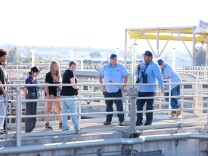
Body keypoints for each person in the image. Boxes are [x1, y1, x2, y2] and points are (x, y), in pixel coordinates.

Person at [136, 51, 165, 126]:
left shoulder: (155, 66)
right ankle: (139, 121)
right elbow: (137, 74)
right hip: (141, 89)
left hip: (150, 90)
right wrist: (137, 68)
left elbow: (159, 76)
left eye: (145, 56)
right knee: (139, 106)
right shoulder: (142, 64)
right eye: (144, 56)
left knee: (149, 107)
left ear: (149, 57)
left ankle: (148, 122)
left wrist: (162, 86)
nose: (144, 57)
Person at [98, 54, 129, 126]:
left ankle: (121, 120)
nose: (115, 60)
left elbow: (126, 76)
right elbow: (100, 76)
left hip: (117, 90)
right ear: (110, 59)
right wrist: (102, 85)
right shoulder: (105, 67)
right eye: (113, 59)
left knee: (119, 106)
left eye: (116, 59)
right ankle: (108, 120)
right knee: (108, 106)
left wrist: (124, 85)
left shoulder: (121, 67)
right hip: (108, 90)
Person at [61, 61, 79, 132]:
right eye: (72, 67)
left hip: (64, 95)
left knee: (65, 112)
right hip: (70, 95)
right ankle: (77, 127)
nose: (73, 68)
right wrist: (78, 87)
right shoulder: (71, 73)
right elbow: (73, 85)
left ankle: (64, 127)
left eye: (75, 67)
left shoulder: (65, 72)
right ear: (69, 66)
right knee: (74, 112)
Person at [44, 61, 62, 129]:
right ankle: (47, 123)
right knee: (49, 108)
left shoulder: (58, 74)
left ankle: (60, 122)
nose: (57, 67)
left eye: (57, 66)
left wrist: (60, 91)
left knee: (59, 108)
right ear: (52, 66)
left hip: (56, 93)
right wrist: (48, 95)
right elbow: (46, 85)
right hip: (50, 92)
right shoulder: (48, 74)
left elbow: (60, 85)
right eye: (55, 66)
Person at [24, 67, 40, 133]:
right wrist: (26, 96)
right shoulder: (28, 79)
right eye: (36, 73)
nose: (37, 74)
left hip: (35, 95)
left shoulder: (35, 79)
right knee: (29, 112)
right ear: (32, 72)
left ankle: (32, 127)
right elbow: (25, 88)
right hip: (30, 95)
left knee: (34, 111)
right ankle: (28, 129)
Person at [0, 49, 7, 134]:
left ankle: (1, 128)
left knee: (2, 111)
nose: (5, 58)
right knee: (2, 111)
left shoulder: (1, 67)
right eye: (4, 56)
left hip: (1, 92)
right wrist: (4, 91)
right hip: (0, 93)